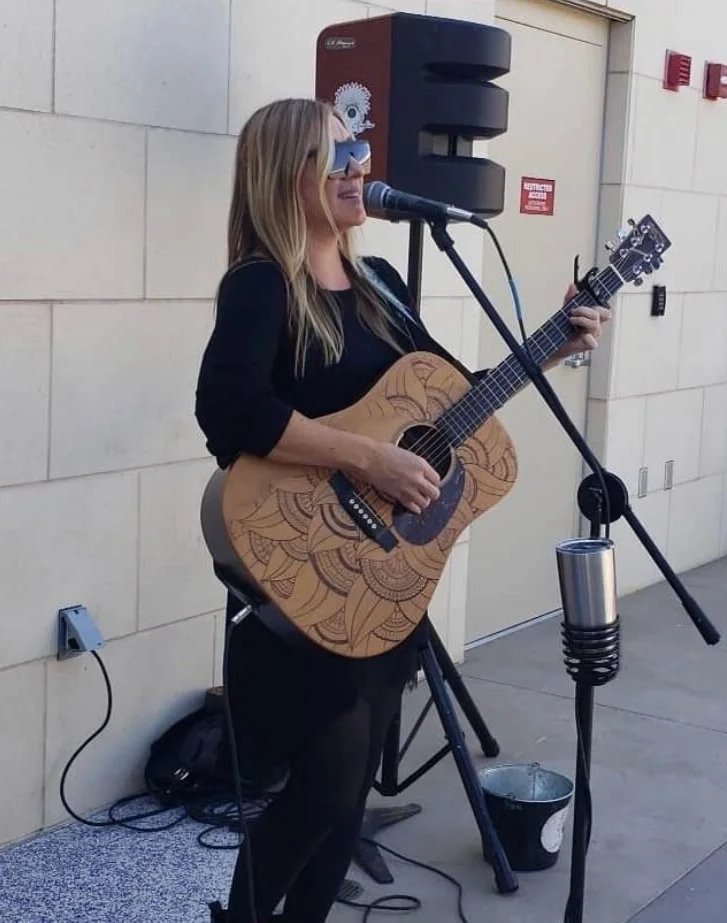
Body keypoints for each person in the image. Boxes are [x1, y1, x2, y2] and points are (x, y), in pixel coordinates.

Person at [194, 97, 611, 923]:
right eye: (337, 153)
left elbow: (456, 397)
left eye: (360, 149)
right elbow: (227, 407)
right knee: (318, 796)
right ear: (289, 175)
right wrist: (365, 455)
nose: (359, 166)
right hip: (310, 569)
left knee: (345, 803)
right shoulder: (262, 285)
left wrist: (555, 343)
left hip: (386, 580)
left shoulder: (380, 282)